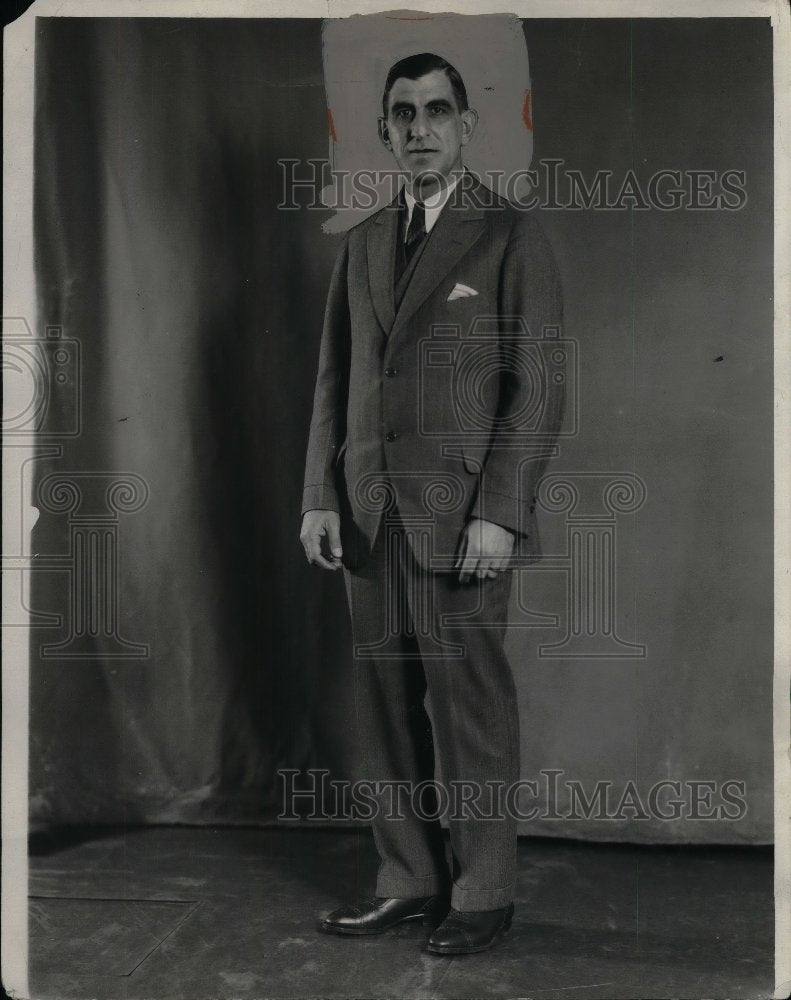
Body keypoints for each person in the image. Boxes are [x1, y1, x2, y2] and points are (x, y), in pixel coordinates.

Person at [300, 51, 564, 955]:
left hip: (461, 519)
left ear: (464, 125)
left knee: (469, 708)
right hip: (370, 514)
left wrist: (501, 510)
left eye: (436, 111)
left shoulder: (507, 234)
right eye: (403, 115)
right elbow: (337, 382)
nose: (420, 129)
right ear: (384, 132)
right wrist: (319, 497)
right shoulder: (362, 242)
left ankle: (483, 892)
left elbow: (535, 385)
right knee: (381, 707)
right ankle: (409, 880)